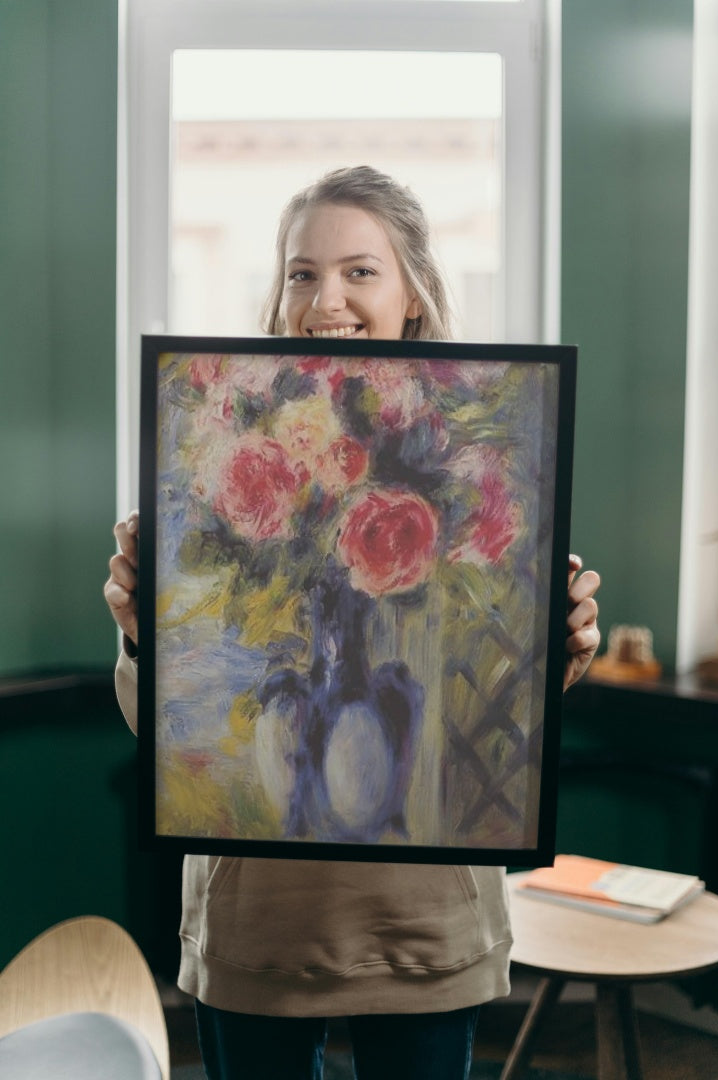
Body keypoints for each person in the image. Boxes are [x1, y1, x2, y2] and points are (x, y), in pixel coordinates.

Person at [105, 166, 601, 1080]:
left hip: (422, 923)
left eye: (358, 271)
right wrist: (145, 638)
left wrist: (554, 650)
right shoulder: (212, 447)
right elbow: (169, 734)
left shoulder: (481, 451)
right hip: (258, 925)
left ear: (412, 292)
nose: (324, 298)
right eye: (301, 272)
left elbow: (495, 723)